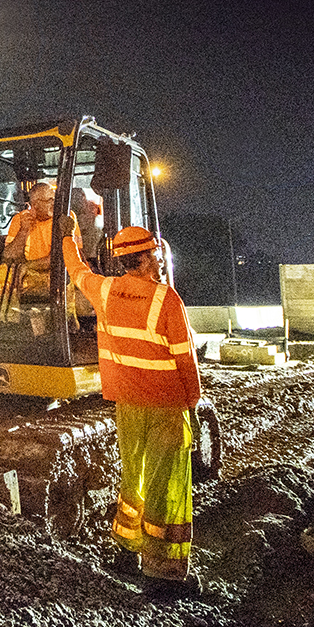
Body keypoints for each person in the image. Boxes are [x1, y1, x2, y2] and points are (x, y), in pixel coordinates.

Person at [60, 225, 202, 592]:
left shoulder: (104, 290)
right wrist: (192, 404)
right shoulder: (166, 300)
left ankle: (126, 549)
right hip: (166, 404)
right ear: (147, 258)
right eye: (154, 253)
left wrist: (67, 237)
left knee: (134, 474)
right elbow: (186, 361)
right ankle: (164, 570)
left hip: (127, 404)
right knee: (167, 483)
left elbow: (76, 270)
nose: (158, 258)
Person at [0, 181, 79, 332]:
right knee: (2, 272)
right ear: (34, 205)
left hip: (57, 272)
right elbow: (7, 257)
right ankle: (9, 325)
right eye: (48, 200)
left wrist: (28, 266)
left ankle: (68, 325)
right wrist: (23, 231)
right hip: (29, 275)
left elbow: (63, 256)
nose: (53, 203)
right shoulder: (20, 219)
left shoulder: (66, 218)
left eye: (53, 198)